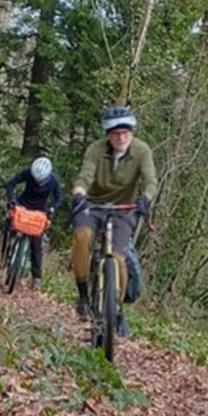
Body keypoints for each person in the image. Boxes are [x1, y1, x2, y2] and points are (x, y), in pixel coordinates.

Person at [71, 106, 158, 335]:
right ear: (108, 134)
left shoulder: (142, 151)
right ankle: (82, 295)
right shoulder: (95, 150)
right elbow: (85, 175)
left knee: (118, 258)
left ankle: (116, 308)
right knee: (83, 237)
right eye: (116, 133)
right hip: (92, 205)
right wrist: (79, 193)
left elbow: (150, 181)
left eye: (126, 133)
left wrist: (145, 198)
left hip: (124, 209)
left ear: (132, 132)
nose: (121, 138)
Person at [3, 155, 63, 283]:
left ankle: (36, 277)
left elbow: (58, 199)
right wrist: (11, 200)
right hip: (22, 204)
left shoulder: (54, 181)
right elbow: (11, 184)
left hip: (40, 210)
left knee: (36, 244)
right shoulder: (28, 173)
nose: (37, 182)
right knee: (9, 225)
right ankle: (5, 254)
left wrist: (52, 209)